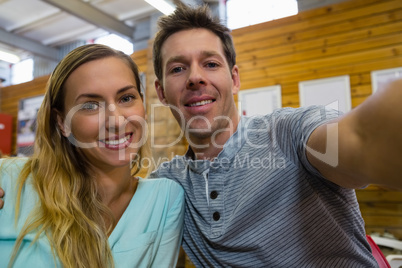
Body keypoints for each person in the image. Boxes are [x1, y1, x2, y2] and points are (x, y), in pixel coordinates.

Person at [148, 2, 402, 267]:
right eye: (178, 68)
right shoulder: (169, 184)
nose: (195, 77)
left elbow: (360, 138)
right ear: (162, 92)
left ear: (234, 79)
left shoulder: (288, 133)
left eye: (210, 63)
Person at [0, 44, 184, 268]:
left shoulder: (164, 199)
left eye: (126, 98)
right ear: (61, 123)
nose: (116, 121)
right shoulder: (10, 183)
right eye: (89, 105)